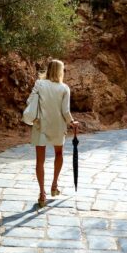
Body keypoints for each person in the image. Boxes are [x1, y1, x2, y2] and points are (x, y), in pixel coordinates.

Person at [22, 59, 79, 208]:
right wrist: (72, 122)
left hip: (41, 124)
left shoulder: (39, 84)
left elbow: (29, 101)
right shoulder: (64, 88)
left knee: (39, 160)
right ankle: (54, 185)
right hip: (58, 125)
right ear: (61, 71)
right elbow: (65, 111)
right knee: (58, 153)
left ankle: (42, 194)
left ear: (48, 69)